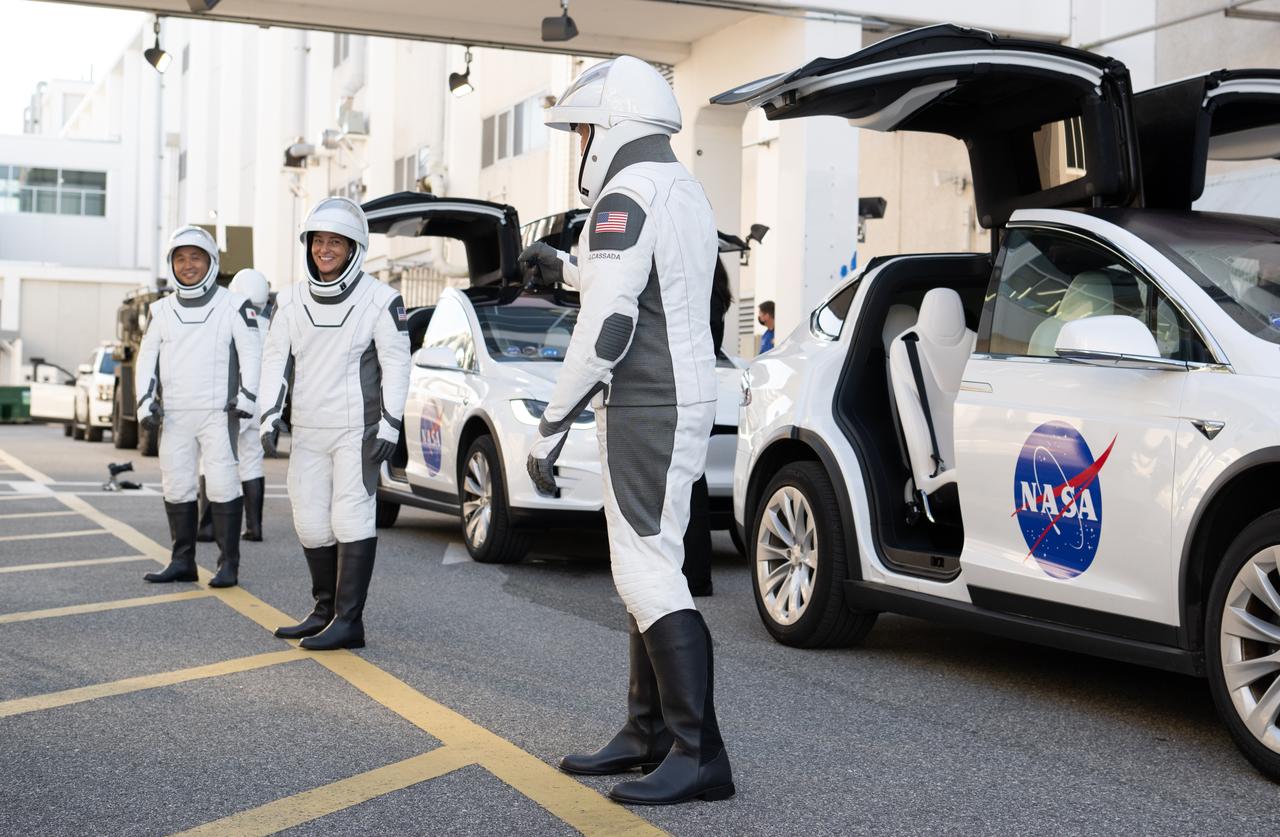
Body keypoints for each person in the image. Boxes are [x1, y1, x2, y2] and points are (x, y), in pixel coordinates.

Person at [519, 55, 734, 806]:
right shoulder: (677, 185)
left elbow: (609, 324)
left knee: (646, 570)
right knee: (650, 564)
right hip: (676, 395)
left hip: (649, 400)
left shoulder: (625, 193)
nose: (581, 144)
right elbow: (644, 277)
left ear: (611, 125)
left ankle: (699, 754)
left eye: (583, 130)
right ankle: (649, 733)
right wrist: (565, 267)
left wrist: (550, 424)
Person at [260, 197, 410, 651]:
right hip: (307, 429)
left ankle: (349, 621)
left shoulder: (381, 299)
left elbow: (397, 364)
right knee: (309, 521)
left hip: (356, 431)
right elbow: (274, 360)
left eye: (335, 242)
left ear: (354, 248)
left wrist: (390, 424)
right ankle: (324, 611)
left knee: (351, 517)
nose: (324, 250)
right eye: (318, 241)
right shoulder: (289, 300)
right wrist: (268, 414)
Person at [136, 225, 261, 588]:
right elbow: (146, 360)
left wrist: (248, 396)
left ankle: (228, 565)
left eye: (195, 257)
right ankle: (182, 561)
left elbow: (252, 354)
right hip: (174, 414)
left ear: (211, 262)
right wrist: (145, 402)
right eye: (180, 258)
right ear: (171, 264)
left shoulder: (234, 304)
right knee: (176, 484)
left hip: (218, 413)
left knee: (222, 484)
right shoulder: (160, 310)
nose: (187, 265)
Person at [195, 268, 273, 543]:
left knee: (213, 459)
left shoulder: (227, 323)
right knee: (252, 462)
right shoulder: (270, 328)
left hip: (233, 400)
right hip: (261, 404)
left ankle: (207, 526)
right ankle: (254, 527)